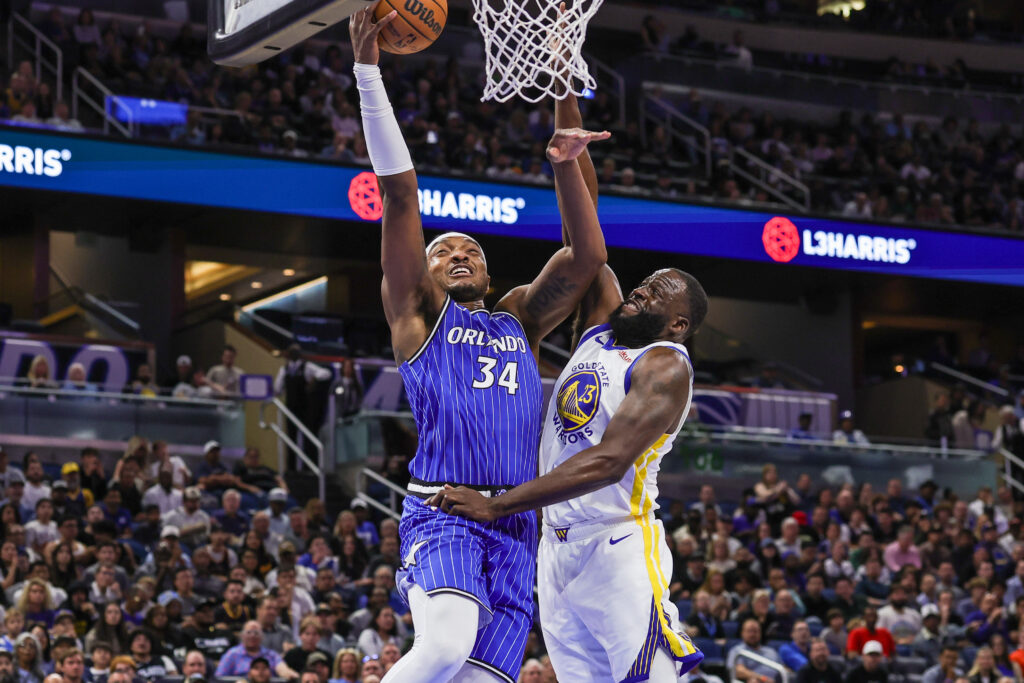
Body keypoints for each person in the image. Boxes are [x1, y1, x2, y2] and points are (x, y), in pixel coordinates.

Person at [346, 8, 611, 683]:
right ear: (426, 273)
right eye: (445, 251)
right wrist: (368, 72)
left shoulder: (518, 320)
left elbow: (586, 259)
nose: (458, 253)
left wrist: (564, 148)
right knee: (440, 648)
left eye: (472, 251)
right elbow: (401, 199)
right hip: (447, 508)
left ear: (491, 275)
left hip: (517, 521)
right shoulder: (418, 313)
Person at [429, 70, 705, 682]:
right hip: (554, 548)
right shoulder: (602, 324)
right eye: (643, 282)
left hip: (616, 543)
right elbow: (586, 237)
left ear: (678, 323)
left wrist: (499, 506)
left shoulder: (664, 364)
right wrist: (565, 126)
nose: (640, 288)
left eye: (657, 291)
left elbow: (607, 464)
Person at [274, 345, 333, 468]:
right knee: (291, 438)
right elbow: (277, 389)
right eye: (292, 352)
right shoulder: (284, 369)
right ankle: (291, 468)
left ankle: (309, 467)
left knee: (308, 437)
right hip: (290, 408)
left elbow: (326, 373)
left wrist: (314, 378)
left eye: (296, 352)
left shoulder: (306, 366)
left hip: (304, 407)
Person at [215, 620, 298, 679]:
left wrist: (290, 675)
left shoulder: (271, 655)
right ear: (242, 635)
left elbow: (283, 669)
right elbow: (219, 677)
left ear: (262, 637)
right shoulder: (232, 655)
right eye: (249, 632)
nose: (252, 636)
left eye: (256, 633)